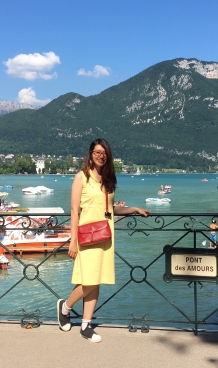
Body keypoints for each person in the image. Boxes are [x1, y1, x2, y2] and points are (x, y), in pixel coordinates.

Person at [57, 138, 150, 343]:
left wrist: (133, 209)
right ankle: (65, 307)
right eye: (97, 152)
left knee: (95, 280)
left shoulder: (107, 179)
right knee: (89, 280)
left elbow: (110, 208)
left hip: (105, 234)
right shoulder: (81, 177)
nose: (101, 155)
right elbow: (74, 210)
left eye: (104, 153)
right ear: (90, 153)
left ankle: (86, 325)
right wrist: (73, 241)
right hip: (86, 235)